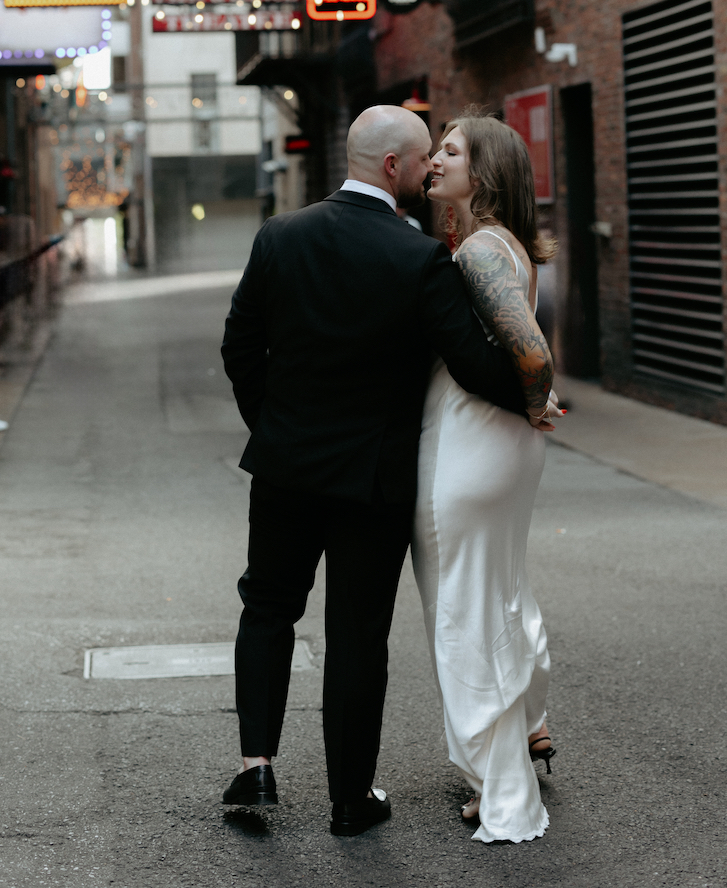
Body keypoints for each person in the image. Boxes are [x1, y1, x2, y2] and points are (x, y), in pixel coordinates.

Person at [220, 105, 527, 837]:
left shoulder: (279, 236)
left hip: (286, 466)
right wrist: (534, 389)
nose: (428, 172)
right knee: (357, 634)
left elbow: (240, 346)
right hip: (372, 479)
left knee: (267, 608)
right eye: (424, 159)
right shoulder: (417, 256)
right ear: (394, 167)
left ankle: (256, 764)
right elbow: (475, 362)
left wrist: (274, 425)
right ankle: (349, 799)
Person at [415, 109, 560, 844]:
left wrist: (539, 400)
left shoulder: (477, 251)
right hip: (501, 447)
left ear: (486, 171)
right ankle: (522, 732)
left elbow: (531, 353)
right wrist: (533, 408)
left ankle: (501, 787)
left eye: (449, 150)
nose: (433, 159)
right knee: (497, 592)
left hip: (473, 445)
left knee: (461, 612)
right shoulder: (501, 245)